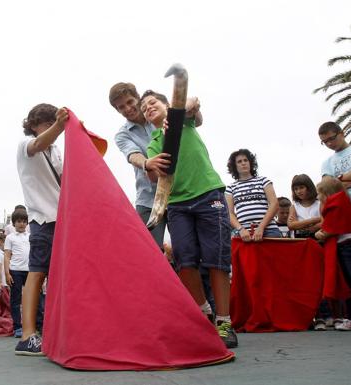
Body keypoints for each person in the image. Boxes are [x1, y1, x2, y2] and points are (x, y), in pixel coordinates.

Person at [143, 90, 237, 348]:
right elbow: (153, 175)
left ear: (165, 105)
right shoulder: (153, 142)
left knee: (217, 259)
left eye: (153, 103)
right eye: (144, 109)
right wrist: (151, 164)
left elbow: (194, 103)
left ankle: (224, 322)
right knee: (185, 259)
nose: (148, 108)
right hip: (176, 205)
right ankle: (204, 311)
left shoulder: (183, 120)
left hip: (209, 195)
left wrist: (180, 112)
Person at [14, 103, 67, 355]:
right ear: (34, 125)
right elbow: (38, 145)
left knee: (60, 274)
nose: (55, 130)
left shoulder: (57, 150)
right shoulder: (24, 146)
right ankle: (26, 335)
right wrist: (58, 125)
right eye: (47, 124)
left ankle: (56, 328)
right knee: (37, 272)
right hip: (42, 219)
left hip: (63, 219)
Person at [109, 83, 166, 247]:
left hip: (178, 194)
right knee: (148, 249)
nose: (127, 108)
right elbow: (133, 155)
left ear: (138, 98)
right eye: (121, 107)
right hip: (148, 199)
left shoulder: (158, 115)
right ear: (117, 110)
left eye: (130, 102)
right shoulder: (122, 135)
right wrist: (147, 163)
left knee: (185, 253)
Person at [315, 177, 351, 331]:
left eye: (320, 194)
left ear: (327, 193)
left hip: (347, 248)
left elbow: (328, 230)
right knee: (350, 284)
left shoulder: (336, 205)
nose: (318, 197)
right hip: (347, 246)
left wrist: (320, 233)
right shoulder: (343, 202)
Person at [225, 149, 281, 240]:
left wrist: (261, 227)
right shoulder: (230, 188)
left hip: (269, 230)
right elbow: (229, 213)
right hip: (244, 234)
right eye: (239, 161)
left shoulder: (264, 181)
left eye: (245, 160)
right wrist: (240, 229)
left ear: (250, 163)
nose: (243, 163)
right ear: (235, 166)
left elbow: (274, 204)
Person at [4, 209, 36, 338]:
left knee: (34, 298)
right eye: (18, 221)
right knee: (16, 300)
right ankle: (17, 327)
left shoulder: (30, 236)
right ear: (14, 223)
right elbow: (6, 256)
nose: (21, 224)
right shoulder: (10, 237)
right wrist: (7, 273)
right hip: (15, 270)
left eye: (24, 221)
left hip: (30, 270)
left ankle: (35, 325)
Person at [319, 121, 351, 206]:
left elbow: (334, 186)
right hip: (345, 211)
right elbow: (327, 188)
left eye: (331, 138)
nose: (329, 144)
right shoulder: (326, 163)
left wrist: (337, 180)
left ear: (342, 133)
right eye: (324, 142)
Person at [288, 174, 322, 239]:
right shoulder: (294, 206)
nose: (298, 191)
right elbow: (291, 225)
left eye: (301, 187)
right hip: (300, 239)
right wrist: (315, 220)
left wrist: (300, 224)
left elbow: (325, 222)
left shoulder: (319, 203)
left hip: (318, 237)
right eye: (296, 189)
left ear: (309, 187)